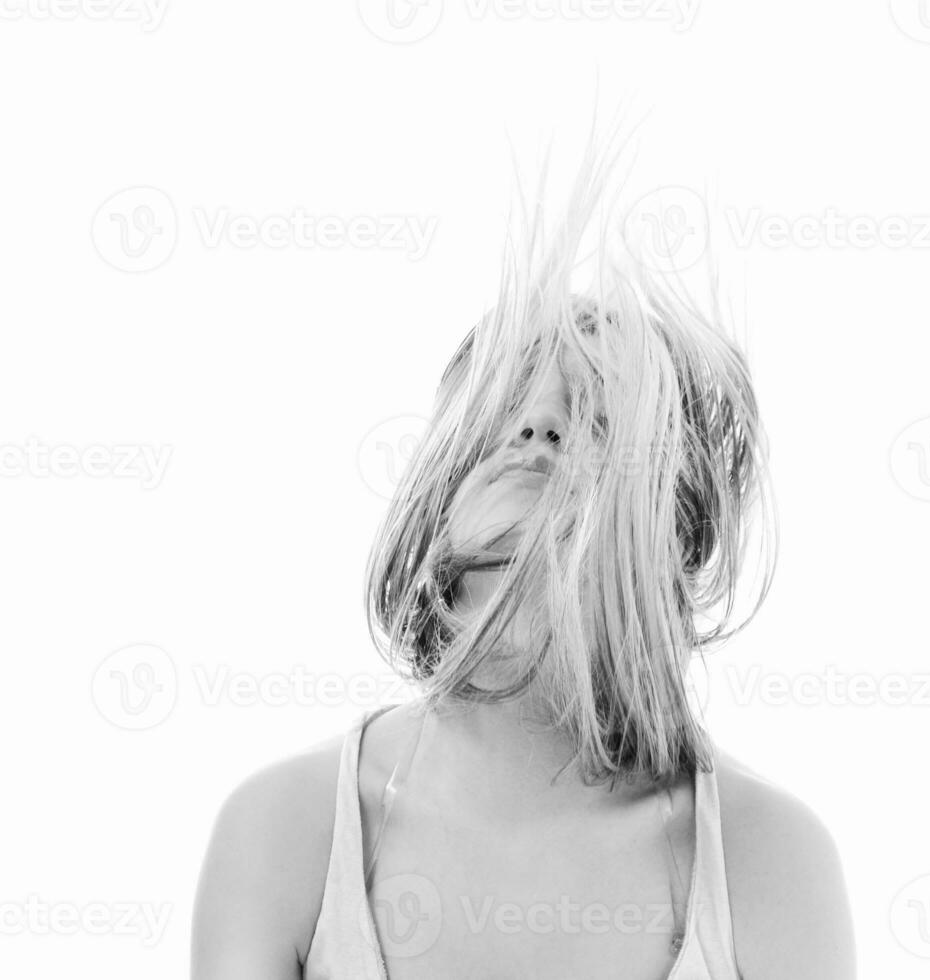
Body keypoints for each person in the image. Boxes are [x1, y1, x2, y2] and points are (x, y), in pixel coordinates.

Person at [191, 148, 855, 980]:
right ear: (437, 501)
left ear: (671, 536)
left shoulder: (770, 861)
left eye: (595, 421)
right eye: (506, 413)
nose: (537, 432)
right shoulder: (287, 830)